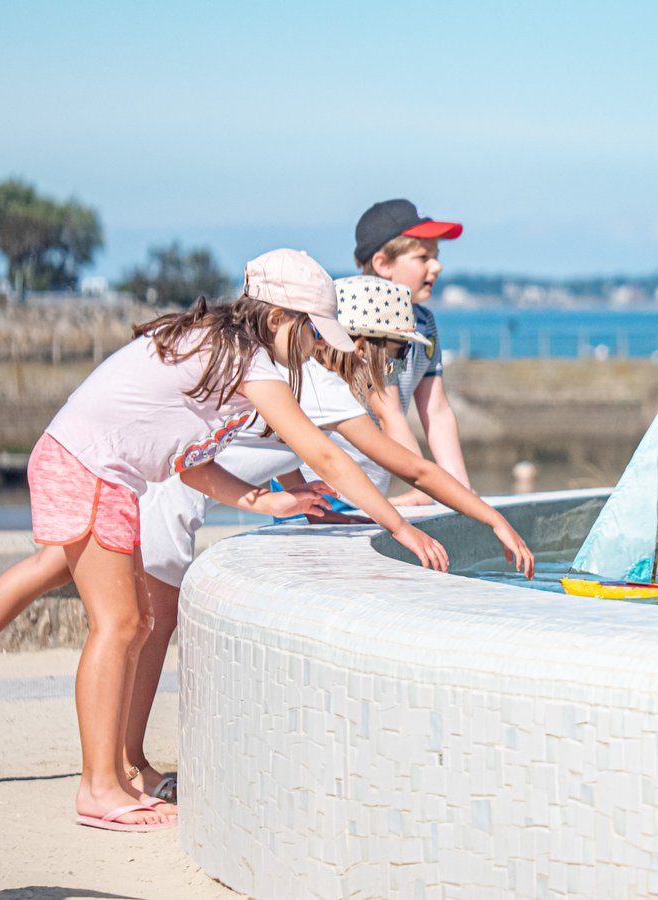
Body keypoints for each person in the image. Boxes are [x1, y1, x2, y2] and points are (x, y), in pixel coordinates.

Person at [0, 250, 448, 832]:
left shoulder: (223, 345)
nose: (317, 348)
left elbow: (193, 464)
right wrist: (399, 525)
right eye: (314, 333)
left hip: (94, 463)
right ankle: (99, 787)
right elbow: (322, 453)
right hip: (93, 466)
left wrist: (267, 500)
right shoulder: (253, 363)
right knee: (120, 625)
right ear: (282, 318)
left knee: (118, 613)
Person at [120, 275, 535, 801]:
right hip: (165, 498)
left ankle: (125, 761)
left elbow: (265, 441)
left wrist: (298, 494)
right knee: (147, 631)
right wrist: (481, 520)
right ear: (361, 346)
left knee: (131, 626)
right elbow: (411, 468)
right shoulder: (326, 388)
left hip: (163, 488)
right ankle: (129, 765)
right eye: (395, 352)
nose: (394, 368)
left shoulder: (296, 374)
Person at [353, 199, 469, 506]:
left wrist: (461, 490)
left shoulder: (424, 323)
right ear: (383, 265)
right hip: (322, 480)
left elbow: (437, 410)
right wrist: (426, 488)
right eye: (423, 257)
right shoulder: (364, 323)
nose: (437, 265)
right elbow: (386, 410)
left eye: (436, 256)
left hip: (370, 483)